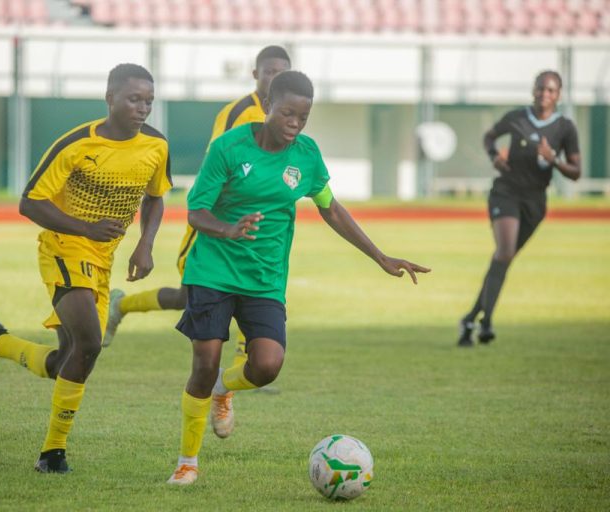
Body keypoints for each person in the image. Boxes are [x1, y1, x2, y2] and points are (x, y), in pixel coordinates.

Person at [166, 71, 430, 485]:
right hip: (213, 271)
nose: (294, 123)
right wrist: (228, 229)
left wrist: (379, 255)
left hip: (265, 279)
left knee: (268, 365)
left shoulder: (306, 155)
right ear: (268, 104)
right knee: (204, 362)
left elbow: (331, 208)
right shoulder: (229, 148)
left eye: (303, 117)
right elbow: (196, 212)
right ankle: (188, 461)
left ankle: (224, 388)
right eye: (287, 113)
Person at [0, 63, 171, 473]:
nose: (142, 108)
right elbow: (30, 202)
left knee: (68, 360)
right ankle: (52, 453)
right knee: (90, 342)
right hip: (63, 247)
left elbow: (156, 196)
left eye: (148, 101)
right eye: (133, 99)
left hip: (103, 260)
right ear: (110, 99)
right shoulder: (74, 144)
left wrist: (144, 243)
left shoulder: (156, 146)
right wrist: (86, 226)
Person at [103, 45, 292, 364]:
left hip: (254, 223)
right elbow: (219, 163)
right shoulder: (239, 112)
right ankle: (120, 306)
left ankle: (243, 371)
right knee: (191, 295)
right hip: (216, 223)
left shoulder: (284, 114)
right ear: (256, 74)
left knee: (251, 288)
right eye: (270, 72)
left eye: (282, 73)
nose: (276, 79)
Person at [457, 70, 581, 347]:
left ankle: (469, 319)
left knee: (503, 259)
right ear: (533, 90)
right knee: (504, 251)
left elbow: (576, 172)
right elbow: (489, 137)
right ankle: (486, 322)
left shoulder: (565, 128)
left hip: (535, 202)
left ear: (558, 95)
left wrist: (554, 160)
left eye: (550, 90)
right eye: (540, 89)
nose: (544, 94)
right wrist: (494, 158)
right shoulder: (517, 118)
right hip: (506, 193)